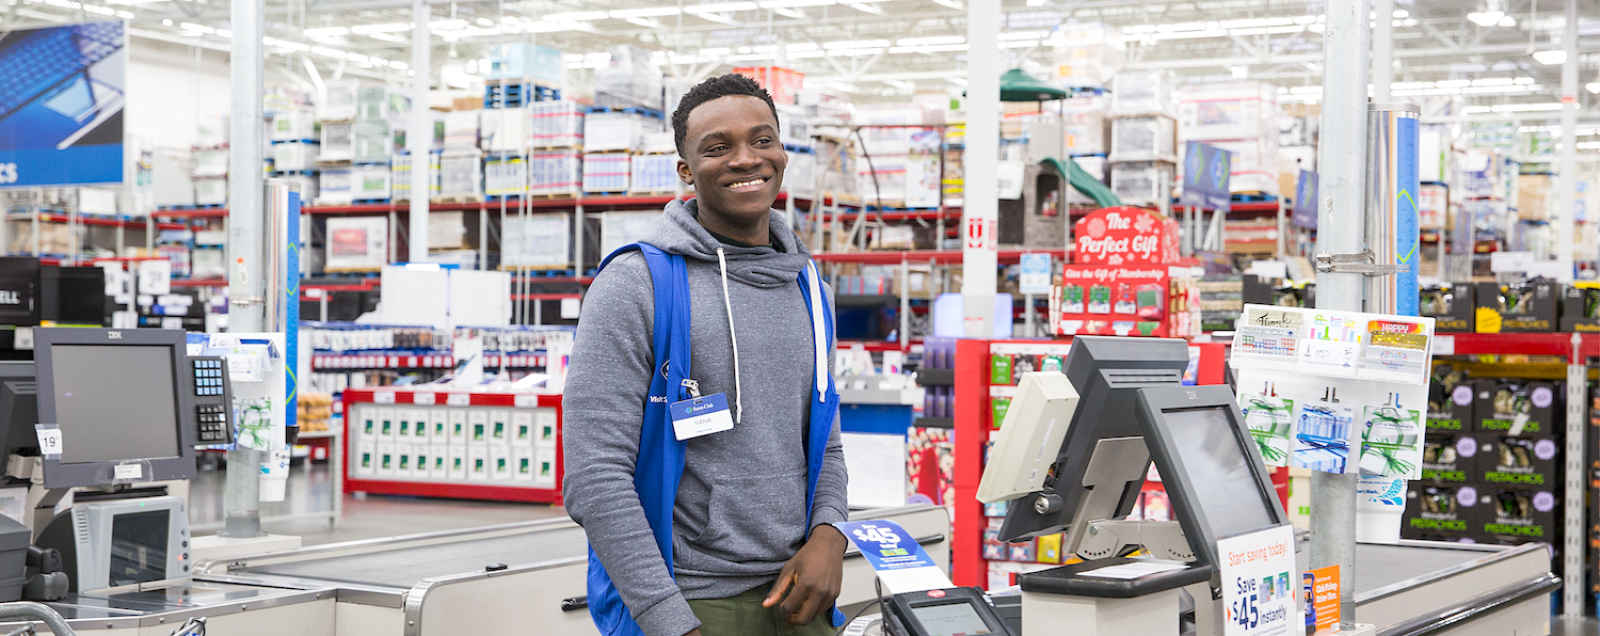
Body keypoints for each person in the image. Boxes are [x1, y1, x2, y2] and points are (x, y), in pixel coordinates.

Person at [563, 73, 849, 636]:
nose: (746, 159)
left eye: (762, 140)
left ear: (782, 152)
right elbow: (595, 477)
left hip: (798, 594)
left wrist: (830, 536)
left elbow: (827, 439)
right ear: (686, 171)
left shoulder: (811, 290)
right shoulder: (636, 285)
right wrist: (667, 619)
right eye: (717, 148)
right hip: (692, 603)